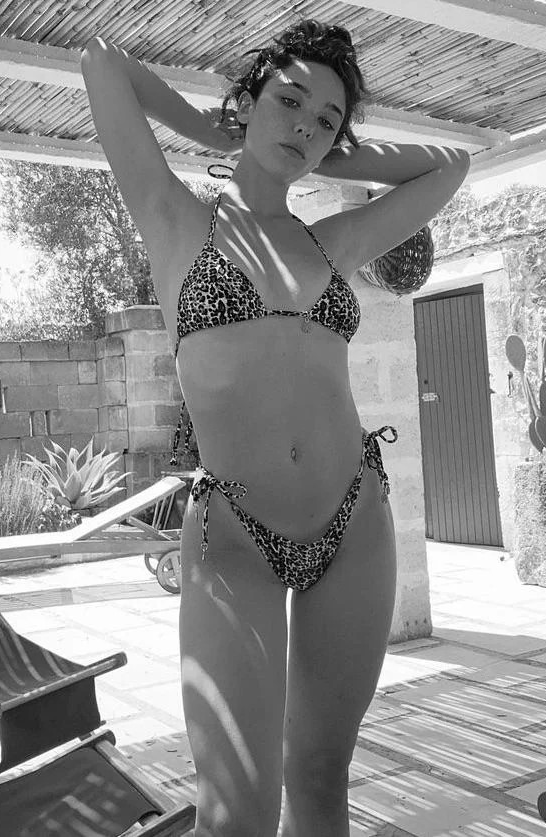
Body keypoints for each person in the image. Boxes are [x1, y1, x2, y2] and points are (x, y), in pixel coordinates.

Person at [81, 19, 469, 837]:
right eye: (289, 101)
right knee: (234, 814)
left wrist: (326, 150)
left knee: (321, 777)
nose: (304, 126)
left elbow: (450, 166)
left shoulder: (332, 243)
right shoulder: (176, 220)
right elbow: (103, 64)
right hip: (235, 540)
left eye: (326, 119)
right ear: (249, 99)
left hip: (354, 526)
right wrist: (221, 127)